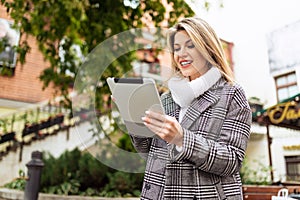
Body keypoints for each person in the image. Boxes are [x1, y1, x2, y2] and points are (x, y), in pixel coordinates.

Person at [130, 17, 252, 200]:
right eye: (177, 48)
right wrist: (134, 120)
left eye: (190, 45)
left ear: (207, 48)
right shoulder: (166, 99)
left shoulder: (231, 94)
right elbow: (149, 154)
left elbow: (231, 161)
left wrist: (182, 139)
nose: (181, 54)